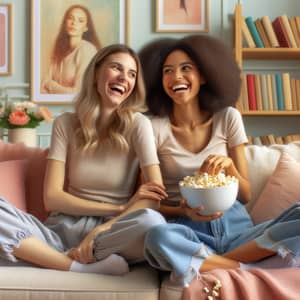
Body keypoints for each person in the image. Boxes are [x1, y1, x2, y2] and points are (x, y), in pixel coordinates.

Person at [138, 35, 300, 286]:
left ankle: (213, 262)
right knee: (156, 236)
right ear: (159, 81)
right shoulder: (151, 126)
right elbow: (149, 201)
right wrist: (184, 210)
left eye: (186, 68)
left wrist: (230, 167)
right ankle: (244, 267)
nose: (176, 76)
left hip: (240, 231)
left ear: (203, 76)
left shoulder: (228, 117)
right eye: (167, 71)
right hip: (191, 232)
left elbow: (245, 195)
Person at [0, 44, 168, 275]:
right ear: (96, 73)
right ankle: (73, 265)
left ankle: (44, 258)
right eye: (116, 68)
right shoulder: (66, 123)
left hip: (108, 235)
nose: (124, 78)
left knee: (153, 223)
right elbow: (52, 198)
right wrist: (120, 206)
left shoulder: (139, 125)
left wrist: (100, 230)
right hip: (57, 234)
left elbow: (154, 198)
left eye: (132, 74)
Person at [41, 4, 101, 94]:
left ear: (86, 28)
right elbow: (43, 87)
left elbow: (78, 92)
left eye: (80, 21)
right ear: (65, 22)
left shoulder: (87, 50)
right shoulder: (60, 49)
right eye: (70, 18)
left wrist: (50, 85)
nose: (74, 23)